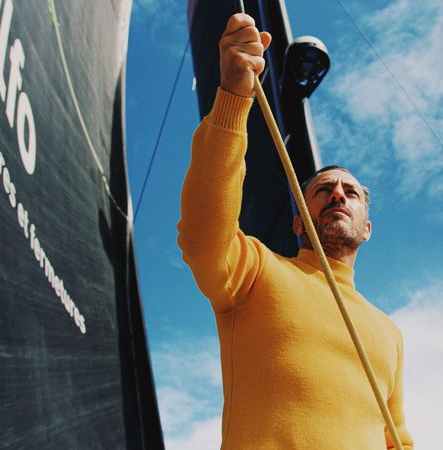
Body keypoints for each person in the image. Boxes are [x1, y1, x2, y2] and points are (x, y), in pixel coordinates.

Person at [177, 13, 414, 449]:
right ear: (298, 221)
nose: (338, 194)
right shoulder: (256, 270)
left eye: (350, 192)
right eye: (323, 190)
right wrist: (233, 97)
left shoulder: (390, 333)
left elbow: (396, 437)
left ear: (367, 229)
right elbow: (201, 237)